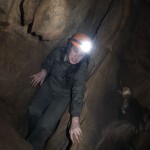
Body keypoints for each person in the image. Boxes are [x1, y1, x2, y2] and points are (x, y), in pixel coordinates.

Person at [26, 33, 93, 150]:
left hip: (63, 97)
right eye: (75, 51)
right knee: (33, 110)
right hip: (49, 86)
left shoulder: (81, 67)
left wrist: (75, 120)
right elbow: (48, 62)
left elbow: (78, 90)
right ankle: (32, 137)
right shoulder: (58, 53)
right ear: (69, 46)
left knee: (45, 126)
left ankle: (32, 145)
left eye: (81, 55)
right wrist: (44, 71)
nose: (76, 57)